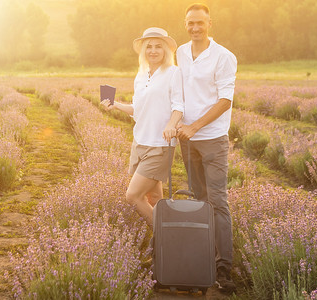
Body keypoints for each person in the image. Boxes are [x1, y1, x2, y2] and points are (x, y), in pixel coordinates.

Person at [175, 3, 237, 294]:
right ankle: (202, 259)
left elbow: (225, 100)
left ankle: (224, 267)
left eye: (200, 22)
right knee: (198, 199)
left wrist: (195, 126)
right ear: (185, 24)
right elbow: (179, 94)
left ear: (209, 23)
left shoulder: (224, 56)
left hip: (211, 138)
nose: (195, 27)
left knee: (217, 201)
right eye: (190, 23)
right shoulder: (180, 53)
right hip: (187, 140)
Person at [101, 27, 183, 226]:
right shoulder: (141, 75)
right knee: (153, 198)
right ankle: (161, 249)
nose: (153, 51)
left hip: (160, 145)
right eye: (149, 47)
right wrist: (116, 105)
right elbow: (137, 110)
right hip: (140, 142)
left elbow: (179, 106)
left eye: (158, 47)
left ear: (165, 50)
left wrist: (171, 125)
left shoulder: (174, 72)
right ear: (143, 50)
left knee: (133, 196)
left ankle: (168, 237)